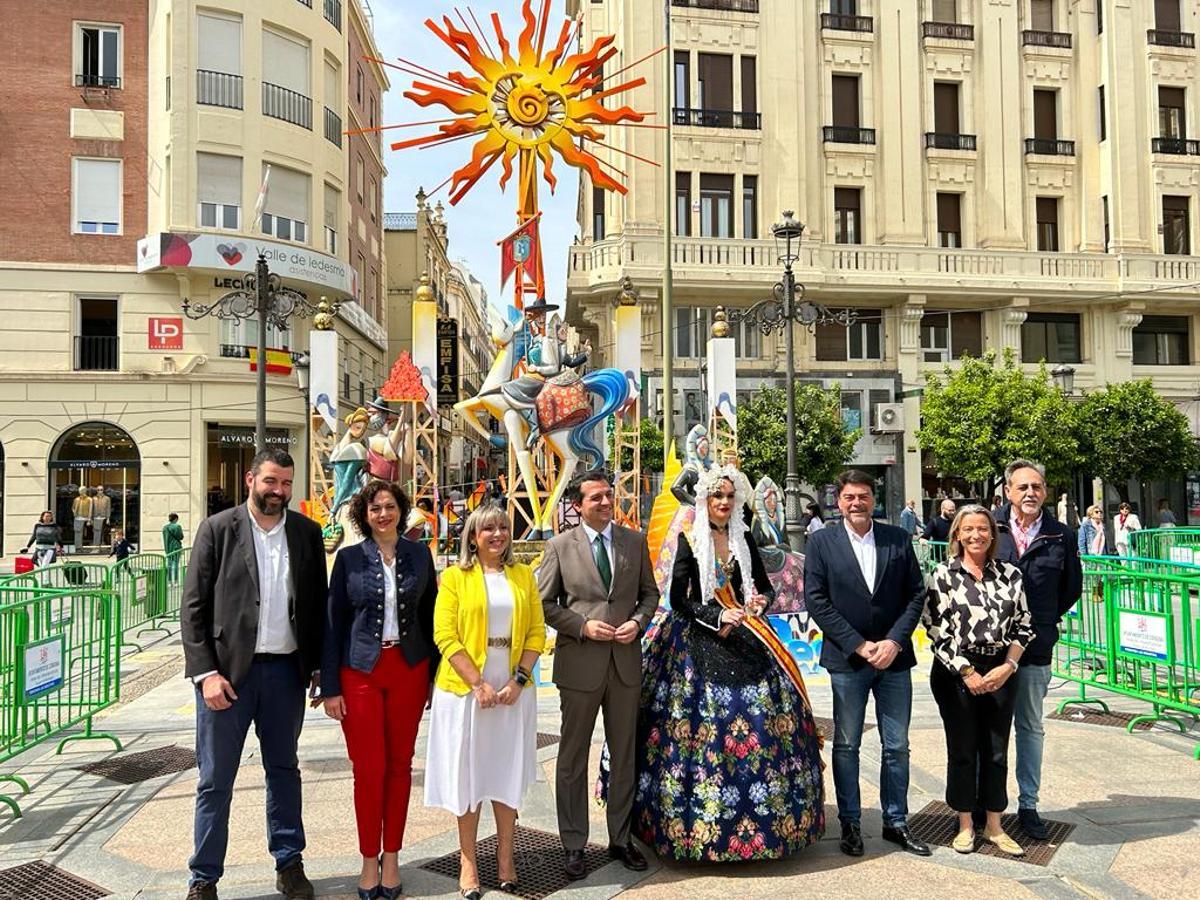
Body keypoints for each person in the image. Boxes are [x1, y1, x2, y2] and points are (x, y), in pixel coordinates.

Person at [613, 464, 823, 861]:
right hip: (695, 642)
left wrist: (759, 601)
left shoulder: (744, 541)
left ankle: (770, 825)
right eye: (717, 497)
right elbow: (678, 600)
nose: (724, 503)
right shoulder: (689, 542)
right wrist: (716, 616)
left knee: (766, 715)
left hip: (746, 633)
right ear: (705, 501)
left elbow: (762, 587)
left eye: (729, 497)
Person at [180, 449, 328, 900]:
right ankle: (204, 877)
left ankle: (289, 863)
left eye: (286, 483)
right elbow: (193, 609)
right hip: (228, 678)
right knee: (214, 780)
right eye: (271, 482)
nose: (278, 492)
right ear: (251, 479)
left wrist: (319, 667)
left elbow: (317, 607)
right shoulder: (218, 529)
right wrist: (205, 674)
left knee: (284, 770)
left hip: (285, 674)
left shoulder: (306, 533)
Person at [537, 470, 659, 878]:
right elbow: (545, 603)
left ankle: (621, 839)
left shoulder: (634, 541)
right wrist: (581, 625)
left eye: (609, 496)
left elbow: (650, 594)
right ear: (578, 504)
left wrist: (639, 622)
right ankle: (573, 843)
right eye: (596, 498)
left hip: (625, 666)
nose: (606, 503)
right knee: (572, 757)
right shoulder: (558, 547)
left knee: (624, 754)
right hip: (580, 665)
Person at [321, 480, 438, 899]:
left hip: (408, 668)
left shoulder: (419, 554)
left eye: (390, 506)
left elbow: (430, 617)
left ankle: (393, 857)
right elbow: (332, 624)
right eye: (375, 509)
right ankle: (368, 858)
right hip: (361, 671)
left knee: (400, 766)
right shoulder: (349, 559)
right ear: (363, 515)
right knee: (368, 769)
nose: (383, 514)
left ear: (400, 510)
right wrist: (330, 686)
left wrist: (433, 679)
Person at [804, 470, 930, 858]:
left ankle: (896, 821)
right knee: (846, 745)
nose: (856, 503)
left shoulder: (896, 538)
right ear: (838, 502)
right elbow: (817, 600)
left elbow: (915, 594)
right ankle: (851, 824)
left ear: (873, 500)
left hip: (894, 660)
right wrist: (858, 645)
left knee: (898, 746)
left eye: (863, 496)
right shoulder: (821, 542)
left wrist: (894, 641)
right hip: (848, 661)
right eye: (849, 497)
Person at [425, 505, 545, 900]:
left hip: (511, 692)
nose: (497, 534)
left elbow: (535, 633)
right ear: (473, 538)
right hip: (465, 692)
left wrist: (518, 680)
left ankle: (506, 858)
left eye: (503, 527)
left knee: (504, 774)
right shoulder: (455, 579)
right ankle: (468, 861)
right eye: (488, 528)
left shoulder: (523, 576)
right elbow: (444, 635)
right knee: (469, 776)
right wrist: (478, 683)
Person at [924, 506, 1033, 857]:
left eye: (982, 529)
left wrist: (1009, 667)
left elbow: (1024, 625)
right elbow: (935, 629)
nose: (976, 535)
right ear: (956, 534)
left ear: (992, 534)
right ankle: (965, 823)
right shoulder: (942, 575)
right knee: (963, 749)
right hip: (956, 671)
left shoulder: (1011, 574)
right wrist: (967, 672)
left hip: (1001, 668)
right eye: (968, 529)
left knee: (997, 750)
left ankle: (995, 824)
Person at [993, 459, 1082, 840]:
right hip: (991, 649)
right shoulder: (989, 526)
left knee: (1030, 727)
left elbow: (1071, 587)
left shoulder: (1060, 534)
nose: (1031, 493)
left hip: (1035, 648)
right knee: (990, 731)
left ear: (1045, 491)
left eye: (1037, 487)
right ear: (1008, 492)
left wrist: (1041, 623)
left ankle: (1028, 804)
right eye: (1023, 487)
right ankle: (988, 805)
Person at [163, 513, 185, 584]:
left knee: (169, 565)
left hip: (168, 548)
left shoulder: (165, 528)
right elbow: (181, 537)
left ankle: (169, 581)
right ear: (175, 519)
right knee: (175, 564)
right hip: (176, 547)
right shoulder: (177, 526)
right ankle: (175, 580)